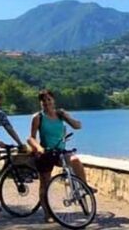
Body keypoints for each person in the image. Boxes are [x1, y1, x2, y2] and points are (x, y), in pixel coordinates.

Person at [27, 89, 90, 221]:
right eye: (43, 100)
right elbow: (30, 138)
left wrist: (66, 116)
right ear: (40, 103)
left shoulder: (60, 114)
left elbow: (78, 126)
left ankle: (85, 187)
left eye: (49, 99)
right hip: (46, 152)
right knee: (45, 183)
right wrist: (39, 148)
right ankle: (47, 214)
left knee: (75, 160)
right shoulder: (38, 117)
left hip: (60, 151)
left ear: (53, 100)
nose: (46, 103)